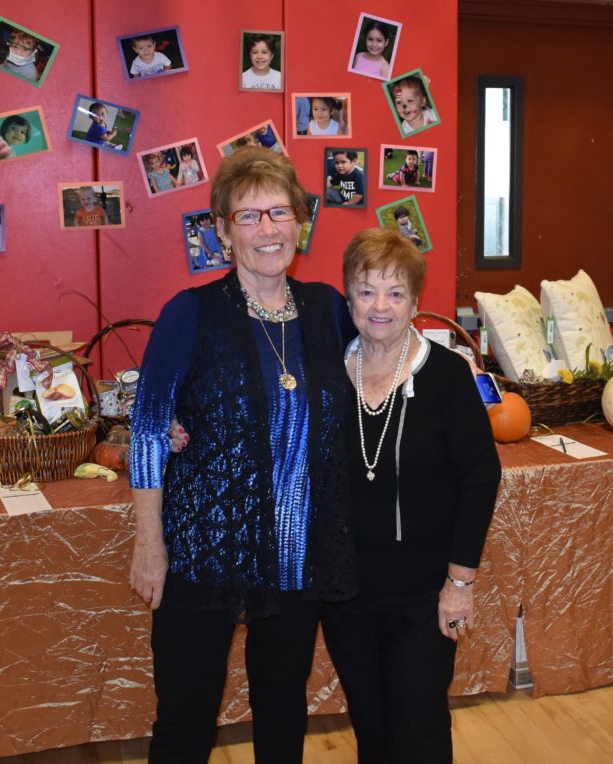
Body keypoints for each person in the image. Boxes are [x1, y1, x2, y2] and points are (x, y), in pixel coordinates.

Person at [128, 146, 357, 763]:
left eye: (279, 213)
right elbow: (149, 430)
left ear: (300, 223)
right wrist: (150, 545)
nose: (266, 230)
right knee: (185, 716)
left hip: (295, 553)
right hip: (205, 548)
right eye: (248, 216)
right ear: (224, 231)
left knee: (283, 710)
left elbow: (382, 371)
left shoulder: (327, 310)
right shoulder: (190, 314)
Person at [323, 227, 501, 764]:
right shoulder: (328, 372)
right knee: (370, 722)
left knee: (418, 722)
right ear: (349, 297)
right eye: (366, 290)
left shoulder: (447, 375)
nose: (380, 306)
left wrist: (460, 583)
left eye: (395, 293)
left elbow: (481, 476)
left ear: (415, 303)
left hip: (425, 594)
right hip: (346, 590)